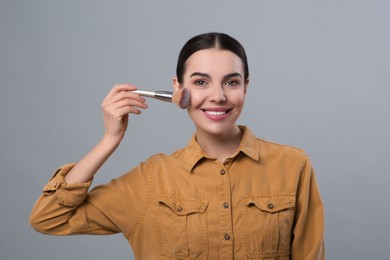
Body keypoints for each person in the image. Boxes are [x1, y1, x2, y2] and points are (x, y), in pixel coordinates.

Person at [30, 32, 325, 259]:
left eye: (231, 82)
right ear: (178, 89)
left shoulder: (293, 165)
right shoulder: (150, 180)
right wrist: (110, 140)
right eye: (201, 82)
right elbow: (49, 218)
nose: (218, 96)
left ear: (246, 86)